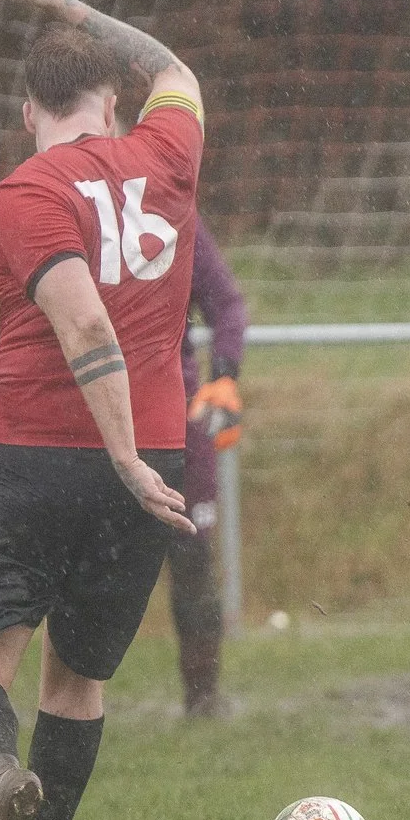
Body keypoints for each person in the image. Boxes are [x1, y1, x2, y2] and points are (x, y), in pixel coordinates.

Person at [0, 0, 202, 820]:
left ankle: (3, 777)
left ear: (27, 113)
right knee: (79, 680)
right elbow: (177, 67)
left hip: (39, 454)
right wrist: (67, 3)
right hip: (159, 453)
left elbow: (83, 316)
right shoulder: (169, 150)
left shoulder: (25, 191)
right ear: (115, 103)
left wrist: (118, 453)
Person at [169, 219, 248, 717]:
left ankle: (203, 699)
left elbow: (227, 304)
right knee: (89, 573)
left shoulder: (179, 225)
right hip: (93, 423)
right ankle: (73, 705)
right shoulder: (77, 215)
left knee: (193, 562)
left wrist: (224, 376)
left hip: (178, 425)